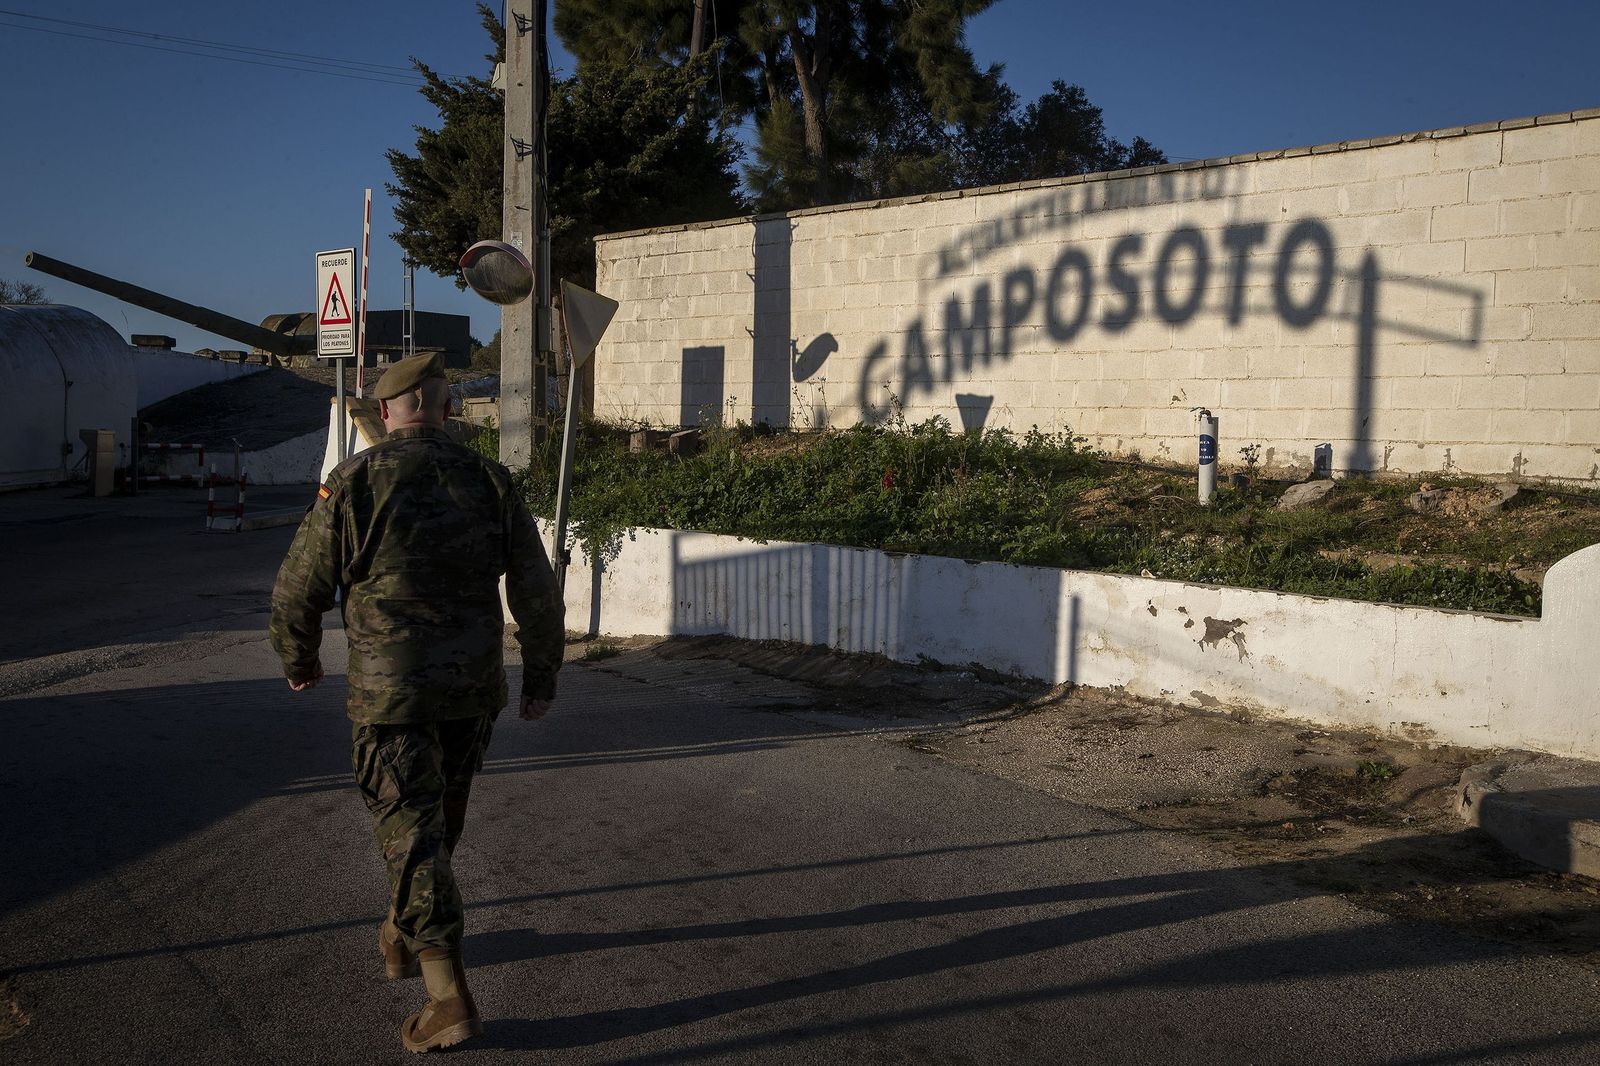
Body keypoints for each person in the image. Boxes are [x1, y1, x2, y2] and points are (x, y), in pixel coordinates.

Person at [269, 351, 564, 1053]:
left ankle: (446, 997)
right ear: (447, 407)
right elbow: (537, 590)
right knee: (432, 829)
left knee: (414, 833)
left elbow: (297, 590)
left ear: (386, 411)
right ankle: (402, 934)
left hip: (390, 693)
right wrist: (541, 676)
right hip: (471, 692)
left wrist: (300, 659)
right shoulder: (491, 480)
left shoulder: (353, 481)